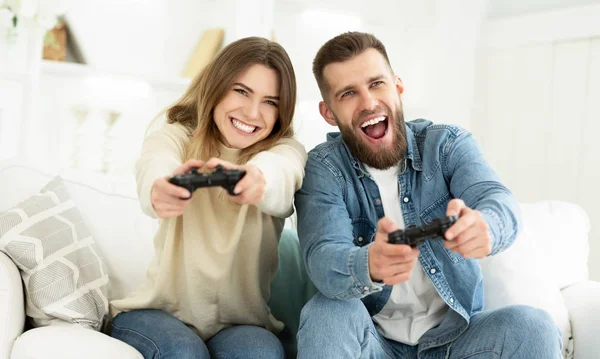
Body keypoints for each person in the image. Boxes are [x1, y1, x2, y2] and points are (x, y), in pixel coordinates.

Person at [294, 31, 562, 358]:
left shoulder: (447, 145)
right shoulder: (323, 168)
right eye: (349, 93)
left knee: (533, 327)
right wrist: (370, 264)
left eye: (377, 84)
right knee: (327, 312)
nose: (368, 103)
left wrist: (487, 227)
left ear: (398, 87)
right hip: (374, 344)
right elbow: (323, 256)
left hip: (457, 340)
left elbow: (496, 199)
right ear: (329, 113)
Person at [109, 37, 307, 359]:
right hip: (157, 313)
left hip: (242, 324)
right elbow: (155, 164)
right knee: (184, 351)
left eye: (270, 101)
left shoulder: (284, 151)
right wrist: (160, 188)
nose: (253, 112)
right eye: (241, 91)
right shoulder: (173, 137)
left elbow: (282, 171)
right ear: (216, 87)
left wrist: (256, 180)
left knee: (259, 352)